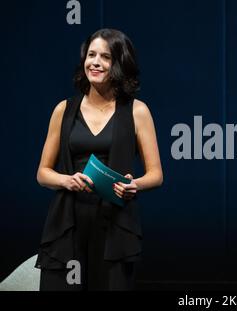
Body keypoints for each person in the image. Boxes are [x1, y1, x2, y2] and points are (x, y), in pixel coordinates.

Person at [35, 29, 163, 290]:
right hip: (67, 223)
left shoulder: (137, 111)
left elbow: (156, 175)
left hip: (114, 224)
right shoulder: (64, 110)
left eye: (105, 57)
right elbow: (43, 173)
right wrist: (67, 180)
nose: (95, 62)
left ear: (119, 63)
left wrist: (134, 184)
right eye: (91, 55)